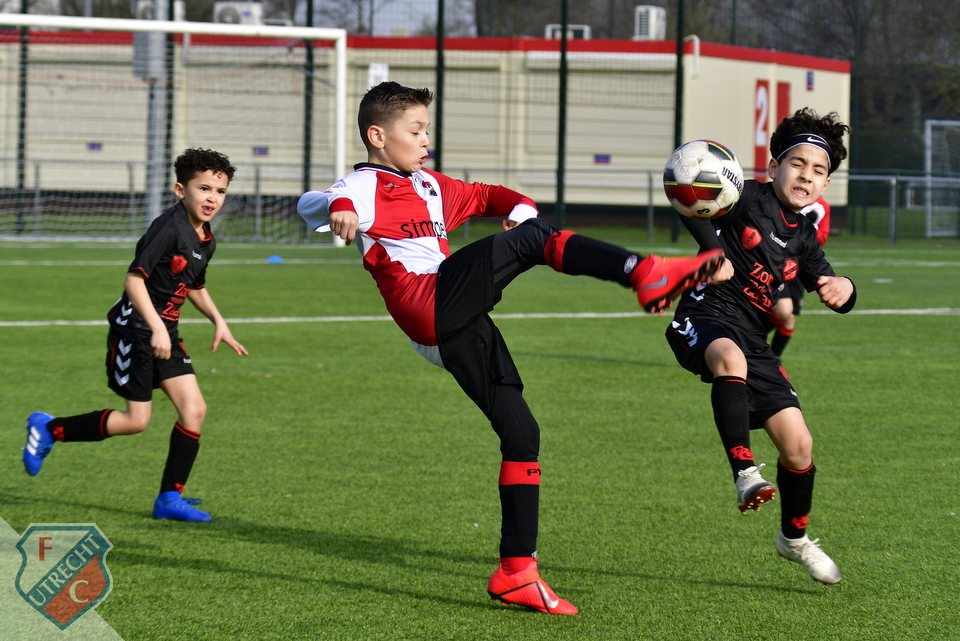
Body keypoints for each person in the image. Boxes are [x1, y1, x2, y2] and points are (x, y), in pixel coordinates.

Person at [297, 81, 725, 615]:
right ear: (377, 136)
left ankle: (516, 572)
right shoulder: (365, 183)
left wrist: (520, 206)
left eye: (427, 129)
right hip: (426, 300)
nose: (426, 140)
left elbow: (487, 196)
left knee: (522, 432)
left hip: (450, 323)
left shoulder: (429, 185)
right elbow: (325, 201)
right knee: (533, 240)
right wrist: (338, 208)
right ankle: (643, 273)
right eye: (416, 130)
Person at [664, 108, 855, 584]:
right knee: (729, 359)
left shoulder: (804, 237)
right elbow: (685, 190)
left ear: (826, 184)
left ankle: (794, 540)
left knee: (799, 445)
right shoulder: (746, 195)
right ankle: (745, 473)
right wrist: (712, 250)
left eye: (818, 171)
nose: (806, 176)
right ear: (773, 167)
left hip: (753, 336)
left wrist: (846, 288)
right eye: (797, 164)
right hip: (705, 313)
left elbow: (830, 286)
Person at [22, 148, 248, 523]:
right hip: (136, 331)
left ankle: (169, 499)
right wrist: (156, 327)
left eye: (220, 191)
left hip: (164, 332)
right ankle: (49, 429)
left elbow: (194, 285)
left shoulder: (205, 239)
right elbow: (134, 280)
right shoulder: (167, 227)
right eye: (204, 188)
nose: (212, 198)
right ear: (180, 190)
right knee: (135, 421)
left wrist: (218, 321)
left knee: (194, 409)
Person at [765, 196, 831, 356]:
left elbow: (822, 237)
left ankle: (773, 361)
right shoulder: (787, 197)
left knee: (789, 319)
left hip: (799, 266)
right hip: (778, 260)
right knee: (784, 310)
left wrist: (807, 229)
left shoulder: (822, 207)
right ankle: (749, 337)